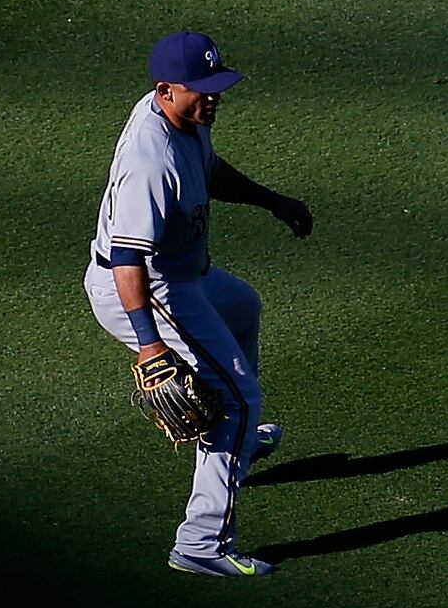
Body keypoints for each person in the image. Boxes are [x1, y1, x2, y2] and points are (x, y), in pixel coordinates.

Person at [86, 30, 314, 577]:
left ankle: (237, 445)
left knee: (242, 309)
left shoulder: (184, 120)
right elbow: (127, 261)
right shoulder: (149, 159)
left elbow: (209, 171)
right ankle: (202, 543)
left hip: (184, 278)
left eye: (217, 88)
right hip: (148, 289)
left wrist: (272, 200)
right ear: (166, 89)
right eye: (201, 90)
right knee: (237, 400)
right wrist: (149, 346)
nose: (213, 99)